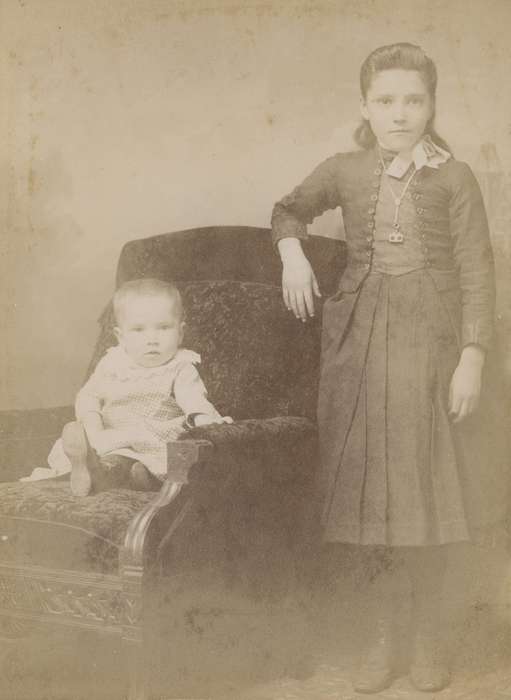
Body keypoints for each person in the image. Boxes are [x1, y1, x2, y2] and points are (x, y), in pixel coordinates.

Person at [271, 42, 508, 693]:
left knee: (424, 489)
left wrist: (471, 355)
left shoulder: (453, 177)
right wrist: (291, 253)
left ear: (431, 104)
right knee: (367, 491)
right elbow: (287, 208)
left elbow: (475, 272)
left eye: (413, 100)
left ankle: (428, 638)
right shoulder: (344, 169)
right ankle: (382, 637)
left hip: (430, 347)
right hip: (358, 346)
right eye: (385, 100)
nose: (399, 113)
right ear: (364, 106)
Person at [45, 278, 231, 496]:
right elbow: (88, 395)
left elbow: (194, 399)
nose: (152, 339)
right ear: (120, 337)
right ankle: (95, 469)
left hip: (157, 437)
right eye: (138, 330)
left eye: (163, 328)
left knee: (176, 458)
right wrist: (93, 422)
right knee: (110, 452)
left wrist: (203, 419)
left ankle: (142, 478)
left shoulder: (180, 367)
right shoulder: (112, 363)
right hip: (114, 436)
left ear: (180, 333)